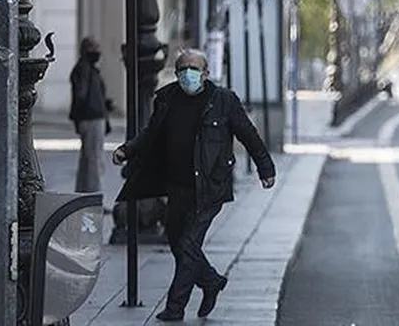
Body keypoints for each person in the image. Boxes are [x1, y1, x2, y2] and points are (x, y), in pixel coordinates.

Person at [111, 48, 276, 322]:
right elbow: (151, 133)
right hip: (177, 186)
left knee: (188, 243)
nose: (188, 73)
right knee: (178, 243)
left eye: (194, 68)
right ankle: (210, 281)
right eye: (183, 68)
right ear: (176, 74)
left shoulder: (224, 101)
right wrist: (127, 150)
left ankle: (175, 308)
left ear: (206, 73)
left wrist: (265, 168)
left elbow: (249, 135)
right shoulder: (166, 99)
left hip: (210, 187)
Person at [68, 36, 113, 194]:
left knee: (88, 160)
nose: (98, 52)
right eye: (95, 48)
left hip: (90, 117)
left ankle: (83, 193)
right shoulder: (85, 69)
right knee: (94, 160)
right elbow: (81, 95)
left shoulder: (86, 69)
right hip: (92, 118)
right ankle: (94, 196)